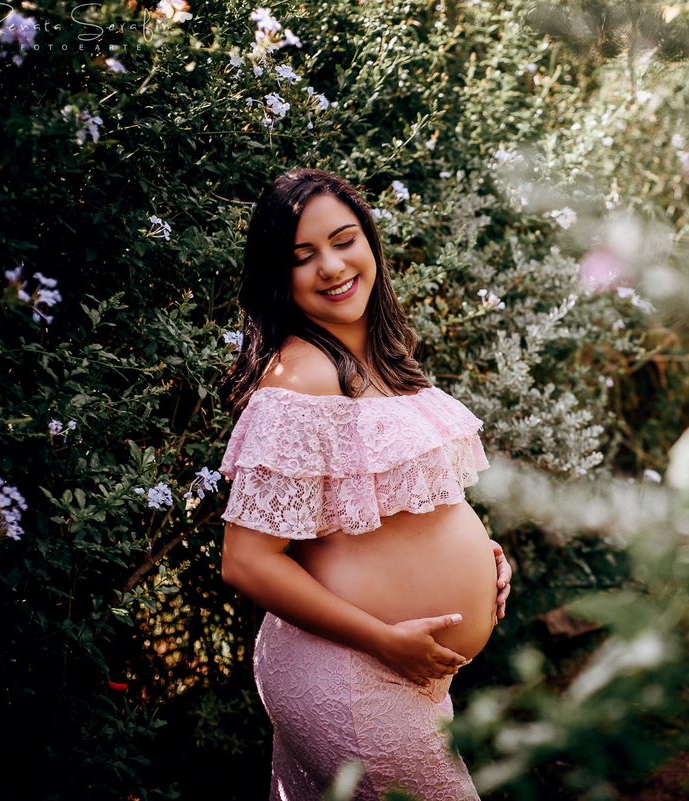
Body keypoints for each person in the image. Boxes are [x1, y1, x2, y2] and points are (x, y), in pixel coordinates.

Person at [218, 168, 511, 801]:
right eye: (303, 256)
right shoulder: (301, 379)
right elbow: (246, 562)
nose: (330, 266)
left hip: (402, 671)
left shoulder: (383, 361)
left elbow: (397, 509)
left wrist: (482, 555)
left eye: (343, 240)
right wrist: (385, 639)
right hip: (355, 672)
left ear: (369, 243)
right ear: (279, 274)